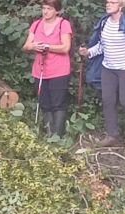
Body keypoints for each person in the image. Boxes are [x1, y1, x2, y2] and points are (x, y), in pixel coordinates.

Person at [80, 0, 125, 147]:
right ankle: (112, 134)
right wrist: (88, 52)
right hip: (108, 68)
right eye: (107, 2)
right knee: (107, 100)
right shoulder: (104, 23)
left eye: (112, 2)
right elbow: (102, 45)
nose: (108, 4)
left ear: (121, 6)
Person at [23, 0, 74, 136]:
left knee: (58, 104)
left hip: (59, 71)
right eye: (44, 8)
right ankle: (49, 135)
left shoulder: (64, 24)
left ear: (57, 11)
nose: (45, 11)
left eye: (49, 9)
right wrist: (33, 46)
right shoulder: (36, 24)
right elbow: (26, 46)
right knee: (44, 103)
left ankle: (58, 136)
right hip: (40, 71)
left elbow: (65, 47)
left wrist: (47, 47)